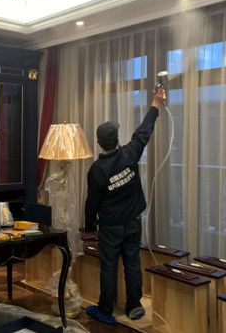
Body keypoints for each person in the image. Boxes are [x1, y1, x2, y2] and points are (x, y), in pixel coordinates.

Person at [84, 88, 166, 325]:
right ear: (118, 139)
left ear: (99, 143)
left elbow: (92, 202)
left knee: (109, 266)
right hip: (132, 223)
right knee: (132, 263)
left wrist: (89, 226)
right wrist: (155, 104)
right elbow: (143, 131)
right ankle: (134, 306)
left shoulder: (97, 170)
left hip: (110, 227)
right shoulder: (130, 153)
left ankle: (105, 310)